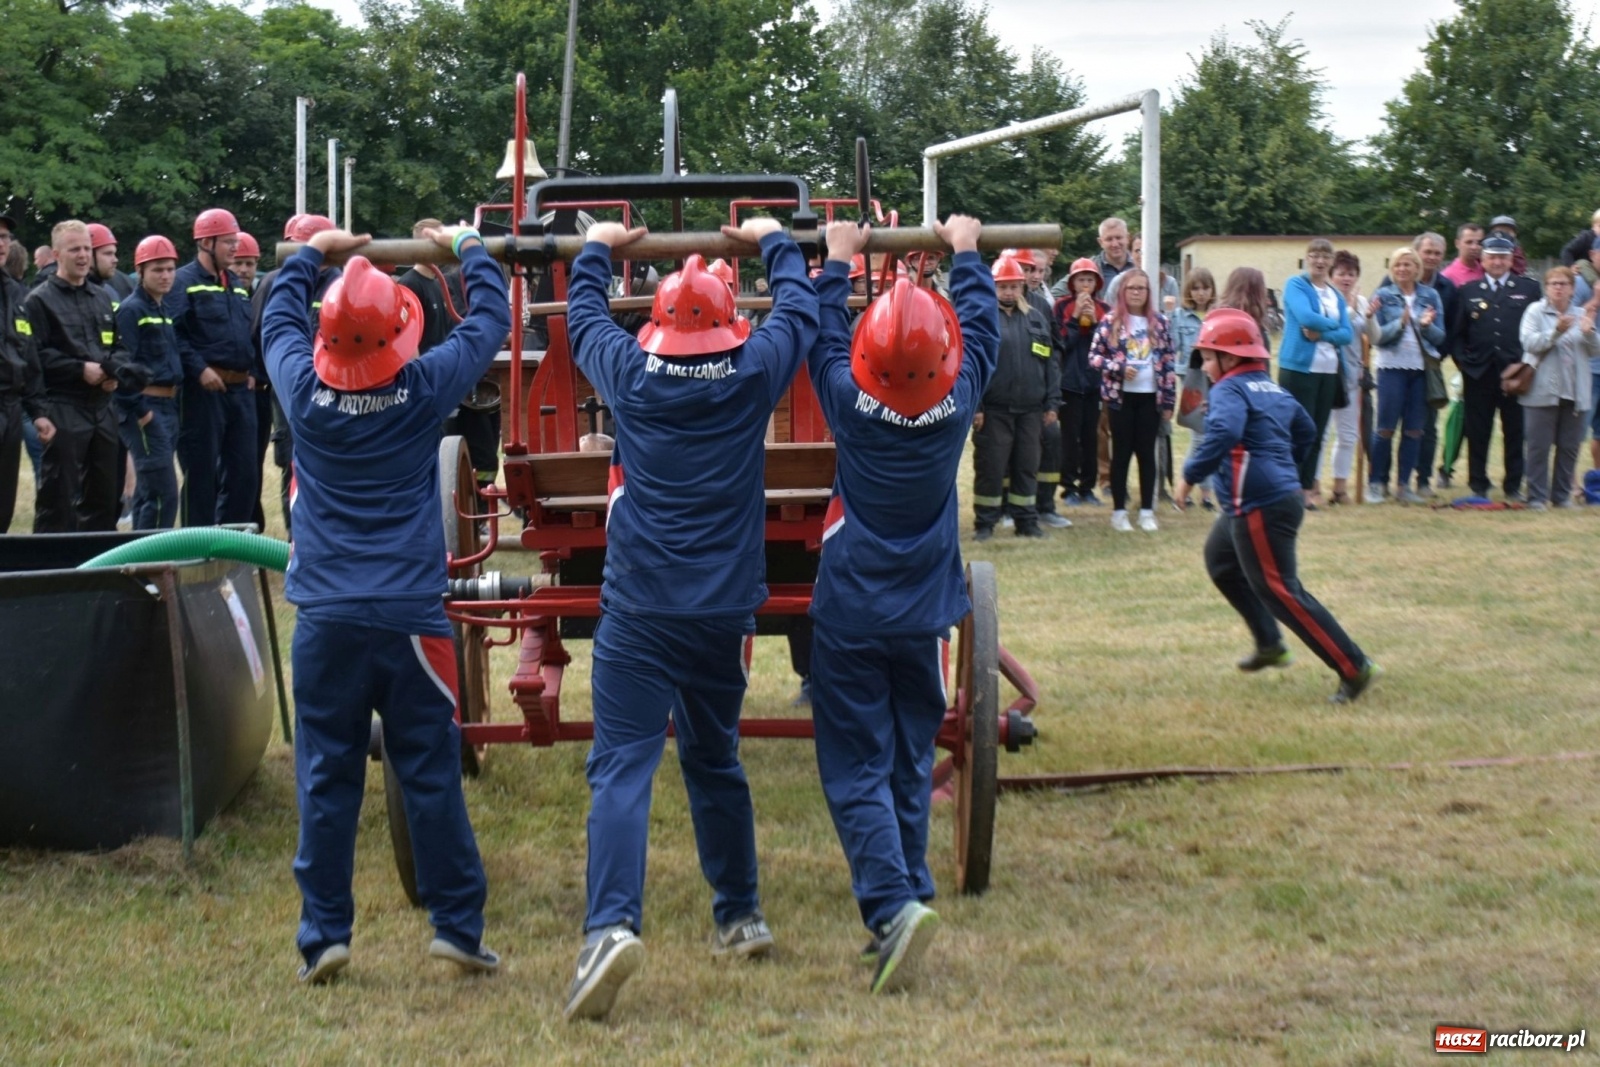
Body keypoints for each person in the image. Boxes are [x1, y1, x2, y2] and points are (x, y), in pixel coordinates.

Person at [557, 216, 817, 1023]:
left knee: (623, 767)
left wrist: (599, 245)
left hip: (638, 609)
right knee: (715, 760)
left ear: (660, 326)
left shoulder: (632, 375)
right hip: (724, 612)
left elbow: (583, 316)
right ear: (731, 322)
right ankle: (740, 915)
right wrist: (775, 240)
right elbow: (802, 313)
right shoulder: (751, 374)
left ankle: (610, 930)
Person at [262, 223, 509, 986]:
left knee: (326, 776)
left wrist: (312, 254)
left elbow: (276, 316)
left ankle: (324, 935)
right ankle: (458, 929)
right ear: (399, 332)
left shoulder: (304, 391)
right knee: (429, 770)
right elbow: (490, 322)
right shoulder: (423, 387)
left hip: (327, 620)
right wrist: (470, 248)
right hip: (409, 618)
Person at [804, 214, 999, 995]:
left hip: (851, 609)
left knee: (854, 764)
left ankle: (890, 908)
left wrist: (838, 263)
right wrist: (966, 252)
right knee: (909, 754)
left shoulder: (850, 402)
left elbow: (820, 334)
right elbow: (981, 327)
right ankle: (912, 890)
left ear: (871, 359)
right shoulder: (959, 400)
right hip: (924, 613)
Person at [1174, 308, 1379, 705]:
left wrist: (1189, 477)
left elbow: (1225, 432)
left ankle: (1354, 666)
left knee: (1280, 591)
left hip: (1262, 505)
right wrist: (1286, 467)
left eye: (1209, 357)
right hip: (1255, 502)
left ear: (1231, 358)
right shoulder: (1269, 388)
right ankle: (1269, 643)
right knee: (1221, 562)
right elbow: (1305, 430)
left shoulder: (1230, 390)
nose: (1205, 366)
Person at [24, 220, 144, 532]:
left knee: (105, 495)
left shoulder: (102, 297)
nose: (82, 255)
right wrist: (80, 369)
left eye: (87, 249)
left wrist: (114, 370)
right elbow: (34, 357)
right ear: (56, 254)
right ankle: (51, 572)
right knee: (59, 495)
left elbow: (117, 346)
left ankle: (96, 572)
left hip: (103, 407)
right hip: (64, 406)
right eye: (74, 249)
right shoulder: (39, 300)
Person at [172, 207, 258, 526]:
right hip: (203, 394)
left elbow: (245, 333)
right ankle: (197, 553)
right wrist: (199, 369)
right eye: (227, 242)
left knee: (245, 475)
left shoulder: (235, 283)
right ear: (206, 243)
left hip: (240, 393)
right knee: (201, 476)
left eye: (235, 241)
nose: (235, 248)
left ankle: (228, 550)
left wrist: (251, 372)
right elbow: (174, 334)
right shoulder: (183, 282)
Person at [972, 253, 1056, 540]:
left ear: (1022, 287)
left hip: (1031, 410)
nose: (1009, 292)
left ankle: (1026, 522)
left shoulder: (1035, 318)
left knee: (1026, 467)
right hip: (994, 410)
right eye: (1003, 286)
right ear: (992, 287)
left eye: (1014, 286)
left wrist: (1052, 403)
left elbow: (1050, 362)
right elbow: (973, 367)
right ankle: (985, 523)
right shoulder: (982, 320)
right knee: (991, 469)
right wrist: (977, 407)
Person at [1450, 234, 1540, 501]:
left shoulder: (1529, 289)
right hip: (1480, 373)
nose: (1498, 261)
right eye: (1492, 256)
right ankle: (1478, 483)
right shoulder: (1468, 291)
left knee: (1515, 431)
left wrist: (1528, 366)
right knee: (1478, 431)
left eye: (1503, 256)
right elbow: (1457, 334)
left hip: (1515, 373)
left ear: (1511, 259)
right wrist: (1464, 364)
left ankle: (1513, 484)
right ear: (1483, 259)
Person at [1089, 268, 1176, 532]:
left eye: (1142, 288)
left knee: (1147, 453)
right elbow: (1094, 358)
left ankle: (1147, 511)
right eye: (1132, 288)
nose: (1137, 293)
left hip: (1151, 397)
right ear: (1122, 292)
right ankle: (1119, 512)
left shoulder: (1159, 323)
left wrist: (1169, 401)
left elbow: (1169, 362)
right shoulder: (1110, 321)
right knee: (1122, 453)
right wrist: (1118, 366)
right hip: (1120, 398)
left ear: (1150, 293)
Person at [113, 236, 185, 530]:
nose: (166, 275)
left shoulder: (162, 309)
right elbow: (122, 367)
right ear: (140, 271)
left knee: (147, 493)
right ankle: (156, 566)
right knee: (163, 495)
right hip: (146, 409)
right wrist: (141, 411)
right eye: (157, 269)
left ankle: (142, 570)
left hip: (168, 406)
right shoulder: (132, 310)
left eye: (170, 269)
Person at [1364, 248, 1445, 505]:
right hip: (1391, 369)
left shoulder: (1430, 295)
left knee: (1414, 430)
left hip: (1421, 371)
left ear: (1417, 268)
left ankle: (1404, 485)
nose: (1403, 269)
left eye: (1408, 265)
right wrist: (1399, 323)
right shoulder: (1383, 296)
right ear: (1392, 269)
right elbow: (1375, 337)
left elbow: (1440, 337)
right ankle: (1376, 483)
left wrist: (1426, 325)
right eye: (1398, 265)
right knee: (1385, 428)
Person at [1276, 239, 1352, 508]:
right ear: (1306, 259)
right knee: (1297, 430)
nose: (1320, 261)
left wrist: (1323, 333)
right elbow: (1305, 317)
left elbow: (1348, 334)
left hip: (1328, 371)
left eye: (1325, 257)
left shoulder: (1335, 295)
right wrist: (1335, 326)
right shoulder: (1296, 285)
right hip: (1298, 369)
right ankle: (1289, 487)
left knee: (1318, 432)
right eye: (1314, 256)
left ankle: (1307, 488)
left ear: (1331, 261)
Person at [1516, 266, 1597, 509]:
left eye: (1564, 283)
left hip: (1575, 391)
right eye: (1553, 283)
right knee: (1538, 448)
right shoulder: (1535, 312)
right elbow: (1529, 343)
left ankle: (1561, 497)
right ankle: (1537, 498)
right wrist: (1555, 332)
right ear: (1546, 287)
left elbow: (1596, 350)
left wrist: (1590, 333)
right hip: (1541, 390)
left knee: (1569, 447)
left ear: (1573, 289)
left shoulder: (1581, 314)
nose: (1558, 287)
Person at [0, 212, 56, 532]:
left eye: (6, 236)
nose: (2, 243)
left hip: (12, 407)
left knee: (3, 504)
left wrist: (38, 411)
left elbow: (29, 356)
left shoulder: (16, 292)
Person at [1053, 258, 1107, 507]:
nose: (1085, 285)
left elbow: (1106, 347)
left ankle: (1088, 487)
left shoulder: (1104, 309)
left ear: (1096, 283)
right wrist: (1075, 318)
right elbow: (1061, 345)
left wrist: (1095, 324)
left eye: (1090, 280)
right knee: (1069, 437)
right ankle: (1068, 487)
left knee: (1091, 437)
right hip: (1069, 383)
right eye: (1081, 280)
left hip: (1094, 383)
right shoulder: (1061, 306)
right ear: (1072, 283)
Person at [1411, 232, 1458, 494]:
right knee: (1396, 425)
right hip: (1397, 366)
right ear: (1417, 252)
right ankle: (1387, 480)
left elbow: (1452, 329)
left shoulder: (1448, 288)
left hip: (1430, 367)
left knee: (1428, 426)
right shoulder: (1395, 279)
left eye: (1437, 253)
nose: (1431, 257)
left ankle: (1424, 479)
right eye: (1427, 251)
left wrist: (1438, 355)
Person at [1170, 267, 1216, 510]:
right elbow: (1173, 350)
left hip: (1215, 379)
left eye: (1205, 288)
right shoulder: (1180, 316)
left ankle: (1205, 493)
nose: (1200, 293)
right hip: (1192, 379)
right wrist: (1179, 374)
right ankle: (1188, 489)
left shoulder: (1216, 315)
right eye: (1196, 288)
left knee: (1210, 435)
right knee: (1199, 435)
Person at [1323, 252, 1366, 506]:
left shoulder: (1361, 302)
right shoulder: (1325, 300)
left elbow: (1374, 336)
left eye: (1351, 273)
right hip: (1328, 373)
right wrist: (1349, 309)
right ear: (1331, 276)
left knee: (1349, 435)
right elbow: (1336, 327)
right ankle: (1314, 486)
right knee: (1322, 433)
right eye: (1341, 273)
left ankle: (1340, 488)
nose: (1346, 278)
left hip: (1353, 376)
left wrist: (1369, 317)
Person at [87, 224, 134, 307]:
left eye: (114, 254)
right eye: (108, 254)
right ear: (88, 255)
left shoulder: (121, 286)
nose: (115, 260)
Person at [1441, 223, 1485, 289]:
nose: (1474, 247)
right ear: (1457, 243)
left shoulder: (1486, 269)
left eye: (1479, 243)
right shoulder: (1448, 276)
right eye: (1469, 242)